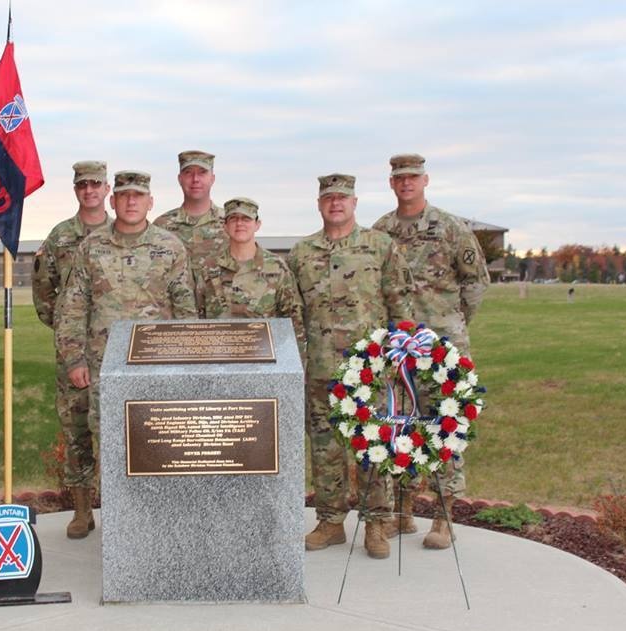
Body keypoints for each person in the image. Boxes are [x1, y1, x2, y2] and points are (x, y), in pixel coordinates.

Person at [56, 170, 198, 537]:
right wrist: (74, 358)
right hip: (104, 366)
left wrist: (187, 363)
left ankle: (156, 519)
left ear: (151, 202)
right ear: (113, 200)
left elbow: (185, 308)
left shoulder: (170, 246)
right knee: (110, 443)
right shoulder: (92, 248)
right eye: (124, 195)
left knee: (158, 443)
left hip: (157, 368)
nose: (131, 201)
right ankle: (115, 523)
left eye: (138, 195)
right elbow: (73, 307)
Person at [288, 174, 413, 559]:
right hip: (320, 368)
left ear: (354, 203)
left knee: (372, 445)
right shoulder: (302, 253)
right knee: (325, 449)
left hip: (368, 369)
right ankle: (330, 522)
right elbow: (292, 311)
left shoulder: (380, 246)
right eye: (329, 198)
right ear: (319, 204)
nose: (335, 203)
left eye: (342, 198)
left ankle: (376, 524)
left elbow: (401, 303)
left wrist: (399, 356)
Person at [373, 153, 490, 550]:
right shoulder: (382, 231)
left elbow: (476, 282)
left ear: (425, 180)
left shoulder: (451, 228)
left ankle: (443, 516)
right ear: (391, 183)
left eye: (413, 177)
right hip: (398, 345)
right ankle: (403, 512)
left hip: (441, 347)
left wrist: (452, 323)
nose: (406, 183)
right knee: (399, 423)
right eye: (399, 178)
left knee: (444, 424)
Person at [31, 161, 111, 539]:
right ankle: (82, 511)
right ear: (76, 190)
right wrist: (69, 332)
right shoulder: (60, 236)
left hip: (115, 352)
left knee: (118, 430)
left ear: (107, 189)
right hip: (75, 352)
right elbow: (43, 291)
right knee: (76, 429)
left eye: (96, 184)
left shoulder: (122, 234)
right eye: (83, 185)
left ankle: (120, 509)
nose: (89, 190)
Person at [195, 197, 305, 351]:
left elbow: (293, 322)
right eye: (233, 218)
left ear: (257, 225)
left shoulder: (276, 267)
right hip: (219, 358)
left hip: (265, 357)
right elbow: (197, 320)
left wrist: (293, 361)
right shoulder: (209, 268)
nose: (239, 223)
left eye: (246, 219)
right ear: (225, 226)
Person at [153, 150, 227, 277]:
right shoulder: (161, 226)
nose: (195, 179)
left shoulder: (231, 223)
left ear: (212, 178)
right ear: (180, 179)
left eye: (202, 172)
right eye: (188, 173)